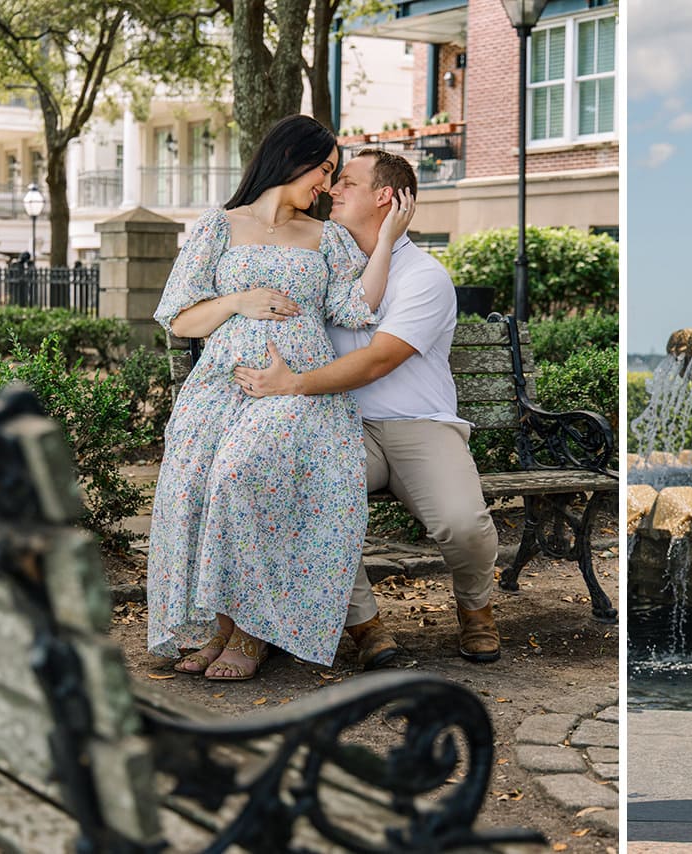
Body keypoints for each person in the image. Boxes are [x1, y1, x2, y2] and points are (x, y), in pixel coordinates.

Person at [147, 115, 412, 680]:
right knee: (193, 480)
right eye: (322, 171)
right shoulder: (217, 227)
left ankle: (251, 631)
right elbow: (182, 319)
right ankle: (220, 628)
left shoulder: (328, 237)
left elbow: (355, 308)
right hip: (222, 385)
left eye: (334, 176)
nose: (326, 185)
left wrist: (385, 240)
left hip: (298, 390)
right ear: (291, 158)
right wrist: (238, 300)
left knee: (238, 474)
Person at [232, 148, 502, 667]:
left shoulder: (423, 277)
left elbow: (380, 359)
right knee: (308, 497)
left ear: (386, 197)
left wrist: (295, 384)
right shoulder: (322, 265)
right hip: (339, 424)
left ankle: (477, 610)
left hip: (419, 426)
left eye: (347, 182)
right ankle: (366, 626)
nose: (332, 189)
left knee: (462, 524)